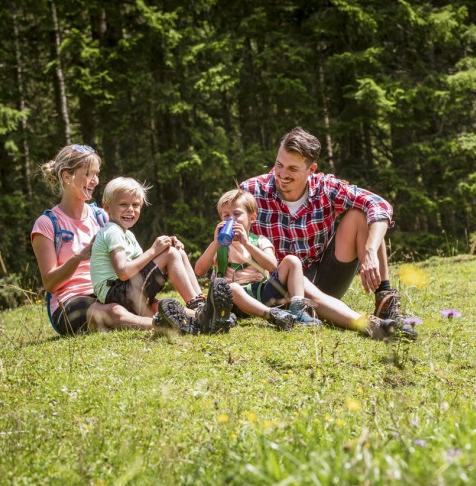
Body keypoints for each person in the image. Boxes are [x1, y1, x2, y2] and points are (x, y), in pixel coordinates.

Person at [240, 126, 415, 333]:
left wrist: (370, 250)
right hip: (279, 286)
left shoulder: (326, 187)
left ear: (311, 169)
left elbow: (378, 204)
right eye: (279, 165)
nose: (282, 174)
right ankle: (371, 327)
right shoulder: (251, 191)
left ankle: (385, 301)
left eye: (292, 169)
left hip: (326, 277)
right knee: (299, 279)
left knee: (360, 215)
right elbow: (231, 237)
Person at [194, 189, 412, 340]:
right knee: (231, 287)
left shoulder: (258, 241)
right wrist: (215, 242)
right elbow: (200, 270)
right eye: (225, 215)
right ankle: (276, 317)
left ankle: (366, 323)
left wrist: (247, 245)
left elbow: (271, 266)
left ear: (252, 218)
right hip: (234, 300)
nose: (231, 219)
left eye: (236, 214)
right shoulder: (220, 246)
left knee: (292, 261)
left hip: (262, 291)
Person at [31, 144, 188, 335]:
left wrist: (162, 250)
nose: (95, 181)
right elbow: (49, 284)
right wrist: (78, 257)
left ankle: (203, 316)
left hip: (109, 291)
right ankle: (167, 327)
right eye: (89, 174)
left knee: (154, 305)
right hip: (71, 301)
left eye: (97, 174)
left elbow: (127, 255)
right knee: (115, 312)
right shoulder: (47, 224)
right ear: (66, 176)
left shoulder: (101, 216)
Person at [91, 177, 235, 334]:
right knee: (172, 254)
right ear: (106, 207)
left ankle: (204, 314)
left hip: (125, 292)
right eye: (123, 204)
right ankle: (200, 308)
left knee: (176, 252)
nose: (130, 210)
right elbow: (124, 272)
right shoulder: (112, 231)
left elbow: (144, 265)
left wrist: (163, 249)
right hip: (116, 293)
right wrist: (155, 250)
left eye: (135, 205)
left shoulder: (127, 235)